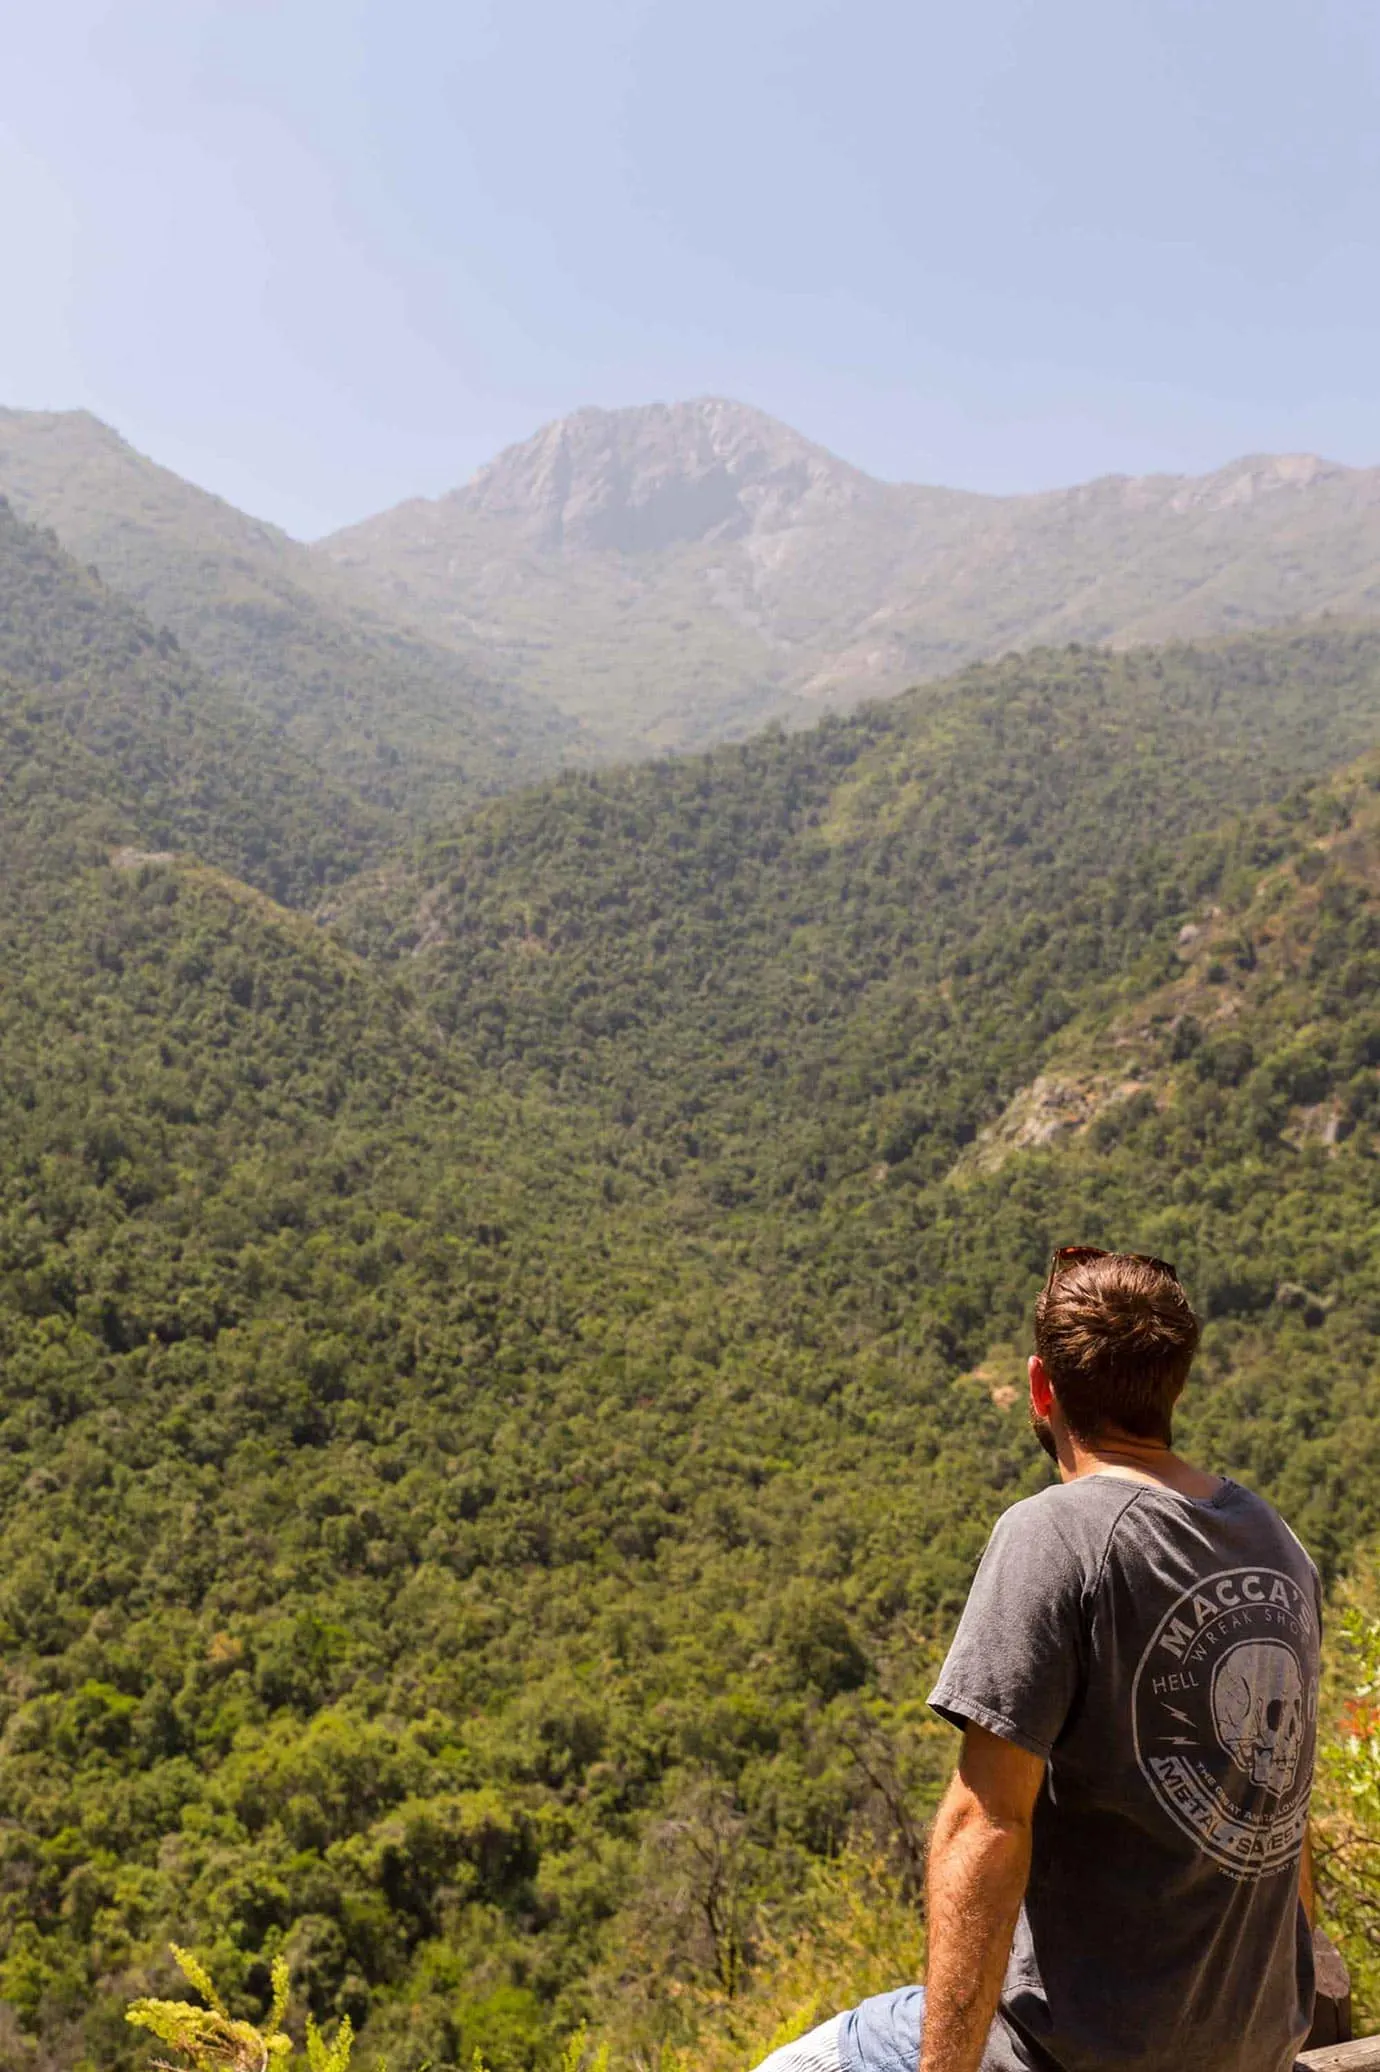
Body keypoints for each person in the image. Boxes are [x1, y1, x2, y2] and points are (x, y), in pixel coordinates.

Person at [754, 1247, 1321, 2072]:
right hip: (1252, 2043)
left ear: (1039, 1386)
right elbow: (1283, 1798)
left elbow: (983, 1826)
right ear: (1176, 1385)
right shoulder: (1278, 1544)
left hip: (1076, 2053)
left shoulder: (1054, 1535)